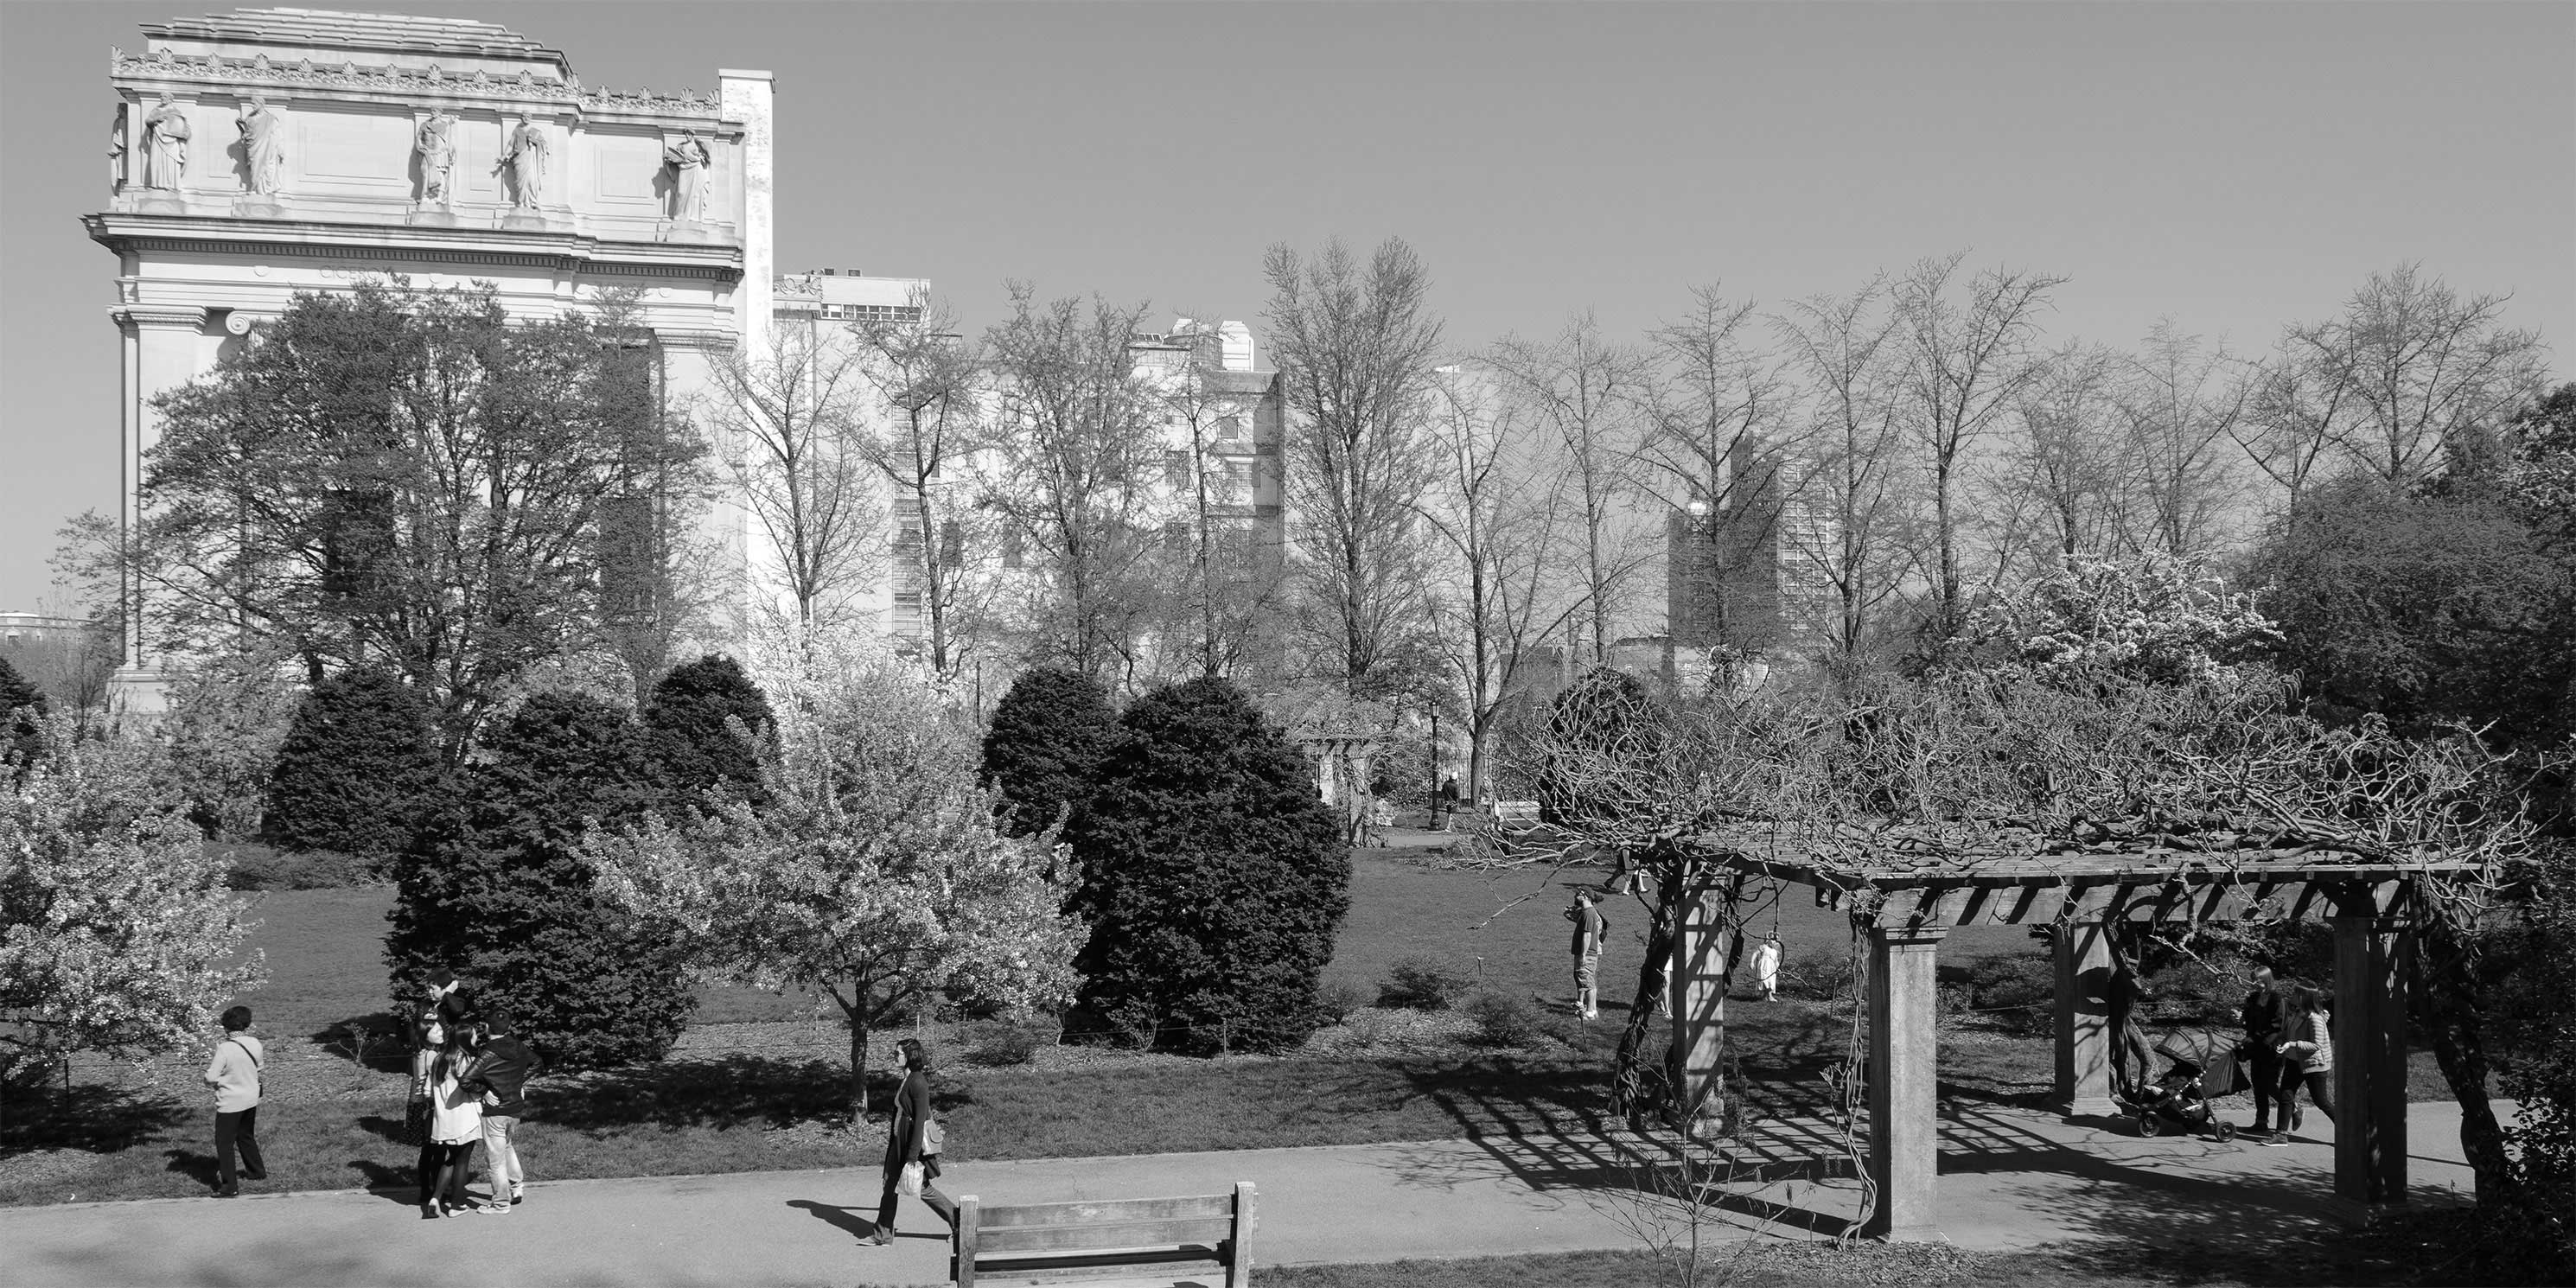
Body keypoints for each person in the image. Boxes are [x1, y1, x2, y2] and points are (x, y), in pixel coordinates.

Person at [869, 1038, 956, 1246]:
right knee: (889, 1186)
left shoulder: (918, 1082)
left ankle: (959, 1220)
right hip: (898, 1144)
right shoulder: (906, 1079)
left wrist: (912, 1155)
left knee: (922, 1188)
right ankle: (882, 1235)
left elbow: (919, 1121)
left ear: (910, 1056)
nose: (894, 1056)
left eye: (898, 1053)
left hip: (910, 1146)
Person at [464, 1010, 544, 1211]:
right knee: (507, 1146)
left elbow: (466, 1080)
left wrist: (484, 1090)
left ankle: (500, 1203)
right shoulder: (518, 1046)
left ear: (486, 1028)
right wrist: (518, 1083)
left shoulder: (488, 1052)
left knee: (495, 1159)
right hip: (515, 1108)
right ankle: (516, 1187)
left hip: (495, 1111)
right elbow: (537, 1063)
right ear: (508, 1027)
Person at [203, 1004, 266, 1196]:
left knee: (224, 1143)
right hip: (251, 1097)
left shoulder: (225, 1049)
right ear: (247, 1024)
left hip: (231, 1101)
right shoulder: (255, 1043)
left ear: (226, 1026)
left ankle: (230, 1186)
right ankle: (257, 1171)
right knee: (245, 1135)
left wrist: (210, 1079)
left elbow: (212, 1077)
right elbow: (259, 1069)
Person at [423, 1024, 486, 1216]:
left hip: (444, 1119)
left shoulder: (439, 1060)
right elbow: (472, 1087)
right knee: (462, 1161)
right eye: (474, 1035)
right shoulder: (467, 1060)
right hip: (465, 1116)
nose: (476, 1038)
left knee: (451, 1159)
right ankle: (456, 1205)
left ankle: (436, 1197)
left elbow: (429, 1091)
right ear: (466, 1038)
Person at [2267, 984, 2336, 1146]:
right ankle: (2281, 1135)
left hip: (2314, 1064)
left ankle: (2348, 1129)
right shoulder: (2298, 1013)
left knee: (2321, 1101)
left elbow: (2316, 1046)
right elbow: (2291, 1033)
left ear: (2303, 997)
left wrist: (2292, 1044)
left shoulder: (2315, 1018)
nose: (2291, 995)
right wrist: (2280, 1039)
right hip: (2294, 1061)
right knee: (2286, 1095)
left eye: (2295, 993)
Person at [2106, 936, 2157, 1097]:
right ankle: (2121, 1089)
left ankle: (2144, 1093)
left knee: (2149, 1058)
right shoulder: (2117, 981)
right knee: (2118, 1055)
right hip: (2116, 1022)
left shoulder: (2128, 981)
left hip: (2124, 1021)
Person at [2240, 965, 2286, 1136]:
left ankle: (2292, 1106)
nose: (2253, 983)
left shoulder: (2276, 998)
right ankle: (2261, 1122)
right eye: (2252, 979)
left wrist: (2256, 1036)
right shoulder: (2253, 998)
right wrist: (2241, 1018)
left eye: (2257, 980)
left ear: (2266, 980)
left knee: (2269, 1083)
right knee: (2258, 1084)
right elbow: (2249, 1021)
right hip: (2256, 1047)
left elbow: (2277, 1024)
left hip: (2272, 1047)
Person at [405, 1011, 445, 1205]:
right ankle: (437, 1190)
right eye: (436, 1031)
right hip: (428, 1105)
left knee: (426, 1150)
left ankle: (425, 1189)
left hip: (416, 1102)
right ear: (425, 1035)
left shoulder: (419, 1052)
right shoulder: (431, 1055)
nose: (441, 1032)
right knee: (436, 1149)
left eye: (440, 1029)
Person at [1566, 889, 1608, 1020]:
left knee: (1586, 981)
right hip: (1589, 953)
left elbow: (1588, 934)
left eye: (1577, 894)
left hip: (1587, 953)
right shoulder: (1587, 912)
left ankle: (1589, 1012)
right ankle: (1593, 1010)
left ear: (1585, 896)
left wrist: (1583, 954)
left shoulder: (1589, 913)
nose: (1575, 896)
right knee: (1589, 981)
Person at [1751, 934, 1783, 1003]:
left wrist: (1779, 970)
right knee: (1765, 981)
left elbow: (1776, 961)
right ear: (1768, 940)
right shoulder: (1764, 947)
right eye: (1771, 939)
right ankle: (1769, 996)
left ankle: (1765, 997)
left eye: (1775, 940)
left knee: (1771, 981)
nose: (1773, 942)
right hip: (1764, 966)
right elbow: (1755, 953)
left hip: (1772, 968)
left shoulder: (1775, 951)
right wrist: (1752, 962)